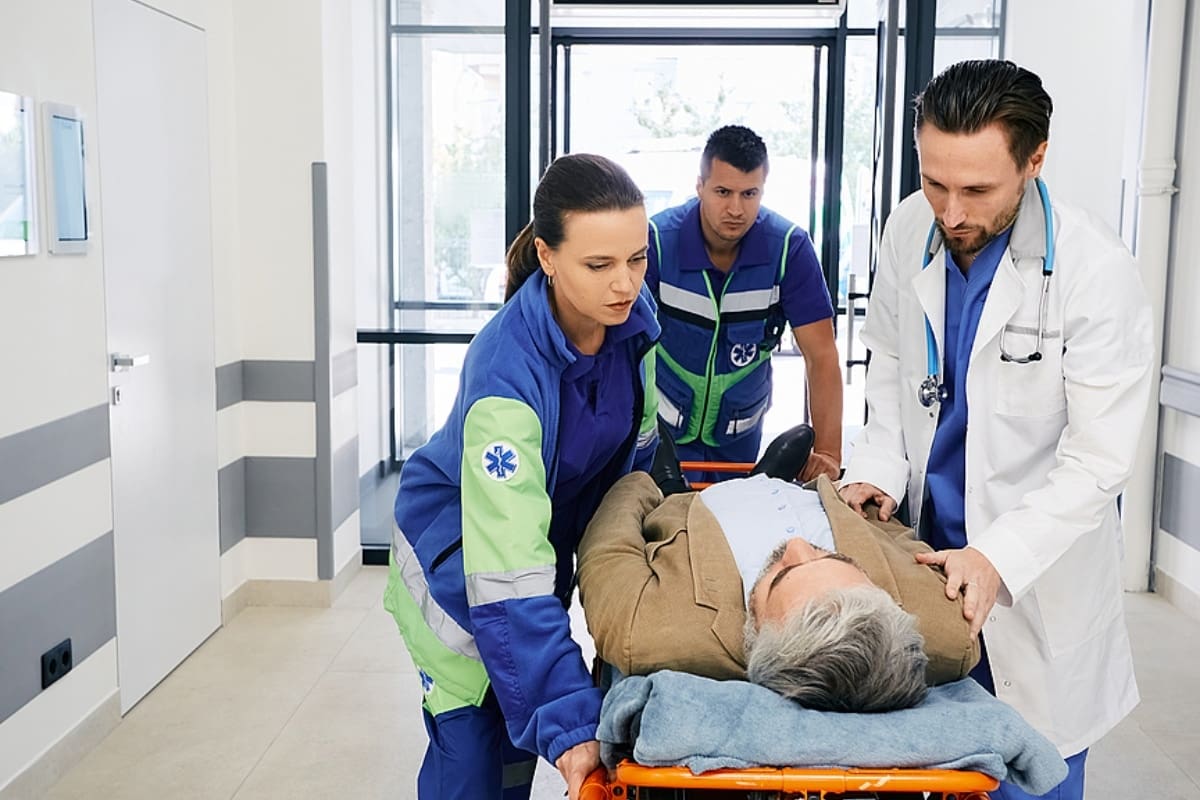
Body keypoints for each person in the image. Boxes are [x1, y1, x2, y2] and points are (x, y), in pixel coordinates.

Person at [839, 60, 1153, 799]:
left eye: (976, 189)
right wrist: (879, 468)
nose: (950, 212)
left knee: (1029, 776)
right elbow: (888, 367)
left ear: (1035, 159)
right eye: (934, 180)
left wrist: (998, 557)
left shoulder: (1093, 273)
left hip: (1031, 585)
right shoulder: (908, 230)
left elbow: (1098, 460)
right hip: (922, 571)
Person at [382, 153, 662, 800]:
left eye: (637, 258)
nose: (626, 283)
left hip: (530, 563)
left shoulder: (632, 327)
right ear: (547, 256)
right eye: (599, 265)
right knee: (475, 766)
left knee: (514, 757)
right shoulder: (506, 376)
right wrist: (569, 720)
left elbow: (634, 465)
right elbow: (505, 573)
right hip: (458, 579)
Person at [575, 449, 981, 713]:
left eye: (781, 575)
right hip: (804, 492)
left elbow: (608, 540)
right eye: (833, 558)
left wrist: (646, 485)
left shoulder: (644, 631)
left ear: (755, 632)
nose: (798, 544)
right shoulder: (949, 633)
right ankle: (770, 477)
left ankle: (685, 479)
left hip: (689, 505)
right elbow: (894, 537)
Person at [646, 124, 843, 484]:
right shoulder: (656, 241)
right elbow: (621, 349)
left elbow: (822, 356)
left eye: (749, 193)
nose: (735, 208)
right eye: (722, 191)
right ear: (700, 186)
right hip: (661, 437)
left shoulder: (790, 249)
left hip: (740, 441)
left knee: (734, 532)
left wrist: (830, 453)